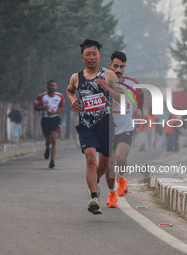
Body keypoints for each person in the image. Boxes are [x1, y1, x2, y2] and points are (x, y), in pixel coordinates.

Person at [66, 39, 122, 215]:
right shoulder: (76, 77)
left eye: (94, 54)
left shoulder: (109, 75)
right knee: (90, 158)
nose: (91, 57)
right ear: (82, 57)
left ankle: (95, 180)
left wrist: (107, 88)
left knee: (103, 163)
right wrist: (73, 101)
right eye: (87, 54)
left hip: (105, 125)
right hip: (86, 125)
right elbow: (69, 91)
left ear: (100, 56)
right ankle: (94, 197)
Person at [97, 51, 143, 208]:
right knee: (110, 165)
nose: (118, 69)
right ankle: (112, 193)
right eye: (115, 66)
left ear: (125, 68)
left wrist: (138, 109)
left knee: (121, 157)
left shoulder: (131, 83)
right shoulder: (103, 83)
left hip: (125, 129)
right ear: (110, 66)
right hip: (108, 130)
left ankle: (122, 178)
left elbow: (140, 96)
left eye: (121, 67)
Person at [34, 80, 65, 168]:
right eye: (50, 86)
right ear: (47, 87)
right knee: (48, 140)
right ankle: (47, 148)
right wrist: (43, 108)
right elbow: (35, 107)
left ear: (56, 87)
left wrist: (55, 113)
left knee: (54, 139)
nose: (52, 87)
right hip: (45, 120)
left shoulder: (60, 96)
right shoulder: (42, 96)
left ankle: (52, 160)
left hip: (55, 119)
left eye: (54, 86)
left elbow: (62, 108)